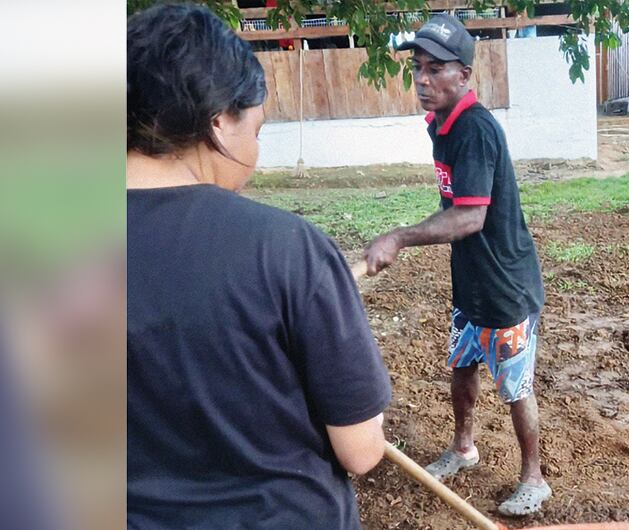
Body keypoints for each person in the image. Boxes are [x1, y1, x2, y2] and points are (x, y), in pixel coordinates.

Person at [126, 5, 391, 529]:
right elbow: (361, 450)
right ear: (220, 120)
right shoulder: (286, 249)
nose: (255, 151)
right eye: (257, 129)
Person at [362, 14, 550, 517]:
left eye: (435, 69)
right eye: (418, 68)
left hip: (505, 285)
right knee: (462, 367)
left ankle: (534, 477)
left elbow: (469, 216)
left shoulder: (474, 129)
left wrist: (399, 237)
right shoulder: (441, 126)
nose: (422, 80)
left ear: (463, 75)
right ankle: (464, 448)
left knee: (515, 387)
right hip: (470, 280)